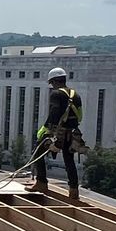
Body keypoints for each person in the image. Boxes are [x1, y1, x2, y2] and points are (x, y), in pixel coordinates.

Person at [27, 66, 84, 201]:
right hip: (72, 132)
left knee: (37, 152)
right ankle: (74, 191)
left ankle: (41, 182)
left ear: (54, 81)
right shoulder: (75, 95)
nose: (52, 86)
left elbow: (54, 113)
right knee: (69, 160)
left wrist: (46, 130)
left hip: (58, 132)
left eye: (52, 83)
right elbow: (79, 116)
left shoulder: (56, 94)